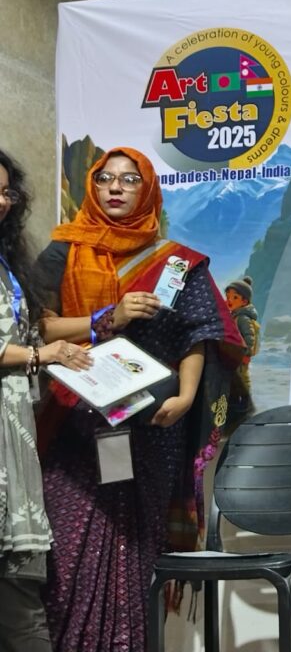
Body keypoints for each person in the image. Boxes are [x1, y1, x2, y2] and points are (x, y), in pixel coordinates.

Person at [33, 147, 251, 652]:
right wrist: (108, 318)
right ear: (92, 186)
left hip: (152, 427)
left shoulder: (175, 262)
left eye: (130, 179)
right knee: (67, 552)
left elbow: (199, 333)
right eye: (105, 178)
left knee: (135, 548)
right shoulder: (63, 252)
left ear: (148, 190)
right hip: (75, 424)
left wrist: (188, 394)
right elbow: (38, 328)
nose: (115, 187)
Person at [0, 149, 90, 652]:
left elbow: (34, 330)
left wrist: (104, 324)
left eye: (6, 192)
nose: (2, 201)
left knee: (19, 596)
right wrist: (39, 355)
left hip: (14, 433)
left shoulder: (7, 264)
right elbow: (33, 346)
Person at [225, 275, 260, 392]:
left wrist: (245, 353)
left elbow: (249, 337)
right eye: (228, 296)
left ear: (244, 301)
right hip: (235, 355)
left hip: (241, 356)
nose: (229, 300)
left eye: (235, 297)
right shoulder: (235, 315)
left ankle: (246, 399)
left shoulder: (243, 318)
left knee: (243, 379)